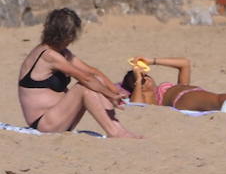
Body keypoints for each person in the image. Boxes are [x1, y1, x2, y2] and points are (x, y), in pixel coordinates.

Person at [16, 8, 138, 138]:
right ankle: (115, 132)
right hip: (44, 124)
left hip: (61, 118)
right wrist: (109, 95)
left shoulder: (62, 52)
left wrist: (115, 92)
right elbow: (85, 79)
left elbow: (92, 72)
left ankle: (117, 128)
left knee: (97, 80)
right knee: (83, 88)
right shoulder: (48, 55)